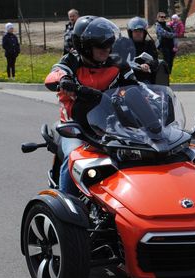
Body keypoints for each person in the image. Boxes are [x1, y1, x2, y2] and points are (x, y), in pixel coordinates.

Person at [45, 16, 137, 195]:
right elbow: (54, 75)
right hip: (75, 126)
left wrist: (152, 100)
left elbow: (134, 87)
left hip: (109, 123)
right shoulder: (71, 61)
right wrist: (63, 80)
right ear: (85, 47)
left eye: (109, 44)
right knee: (75, 158)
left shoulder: (116, 62)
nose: (106, 49)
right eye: (100, 45)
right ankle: (64, 205)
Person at [127, 16, 161, 84]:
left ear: (144, 33)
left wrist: (147, 64)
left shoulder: (149, 44)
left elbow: (154, 59)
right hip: (127, 77)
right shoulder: (125, 44)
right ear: (131, 32)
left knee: (145, 86)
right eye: (135, 31)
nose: (138, 33)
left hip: (143, 78)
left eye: (140, 31)